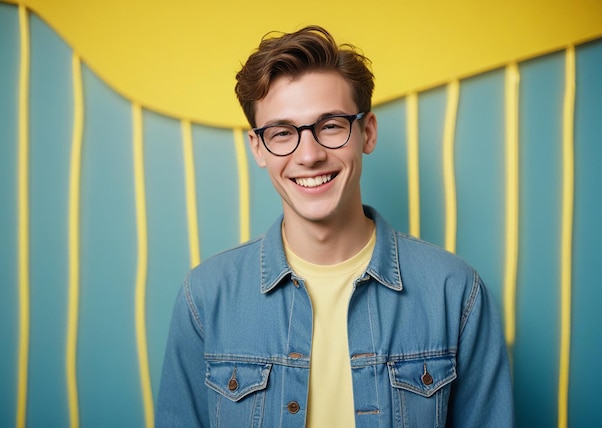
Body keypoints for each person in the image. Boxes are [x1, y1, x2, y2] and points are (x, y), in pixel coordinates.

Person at [156, 25, 514, 427]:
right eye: (282, 133)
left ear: (368, 132)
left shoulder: (456, 292)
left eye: (330, 125)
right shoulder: (204, 298)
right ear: (258, 148)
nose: (308, 155)